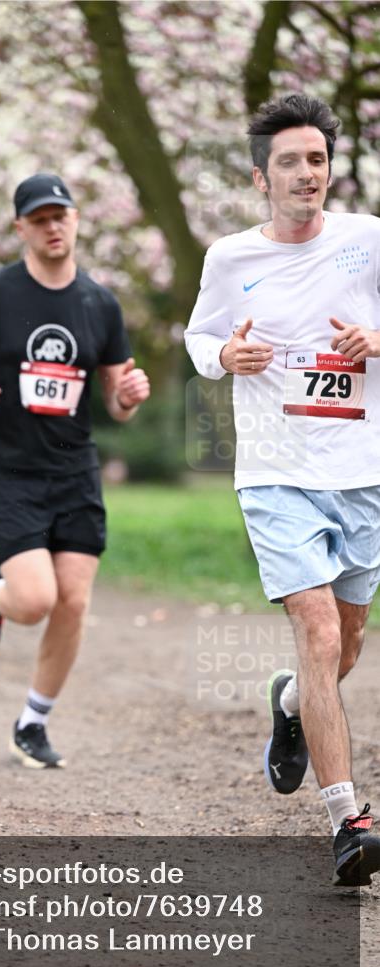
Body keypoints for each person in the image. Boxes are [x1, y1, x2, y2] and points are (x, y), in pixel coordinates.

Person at [184, 94, 380, 886]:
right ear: (260, 176)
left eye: (319, 159)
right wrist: (221, 359)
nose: (308, 174)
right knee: (319, 632)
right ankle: (348, 821)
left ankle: (293, 704)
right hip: (274, 469)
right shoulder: (230, 258)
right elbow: (199, 337)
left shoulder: (367, 241)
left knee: (349, 641)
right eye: (292, 162)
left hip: (360, 471)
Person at [0, 173, 150, 768]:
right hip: (12, 472)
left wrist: (130, 392)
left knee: (72, 602)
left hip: (75, 472)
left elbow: (117, 402)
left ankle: (33, 722)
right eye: (40, 218)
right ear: (21, 227)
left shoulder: (100, 303)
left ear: (76, 221)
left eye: (62, 216)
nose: (53, 226)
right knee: (33, 601)